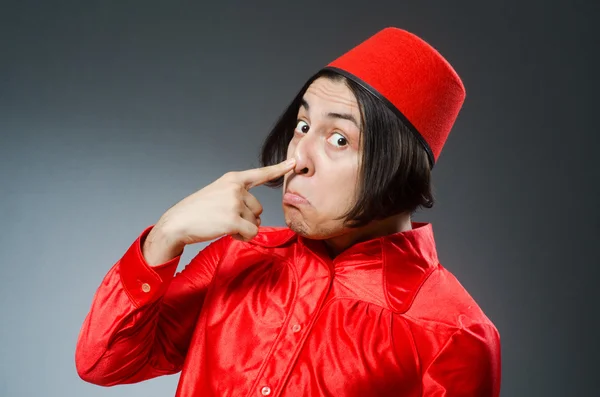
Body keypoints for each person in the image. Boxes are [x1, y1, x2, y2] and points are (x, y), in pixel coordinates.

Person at [75, 27, 501, 396]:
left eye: (338, 139)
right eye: (302, 126)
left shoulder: (453, 334)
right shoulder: (237, 258)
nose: (298, 158)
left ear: (398, 167)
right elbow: (104, 362)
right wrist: (165, 236)